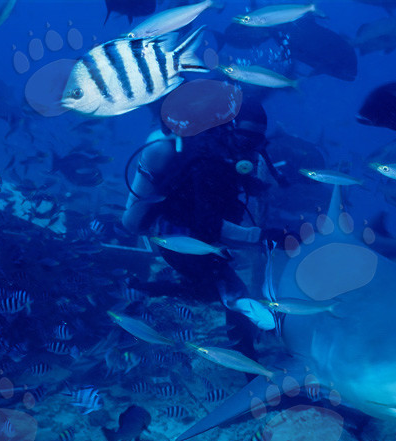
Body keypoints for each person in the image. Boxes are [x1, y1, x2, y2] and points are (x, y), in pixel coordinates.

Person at [121, 99, 286, 352]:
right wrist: (261, 236)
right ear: (228, 129)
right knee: (228, 291)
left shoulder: (230, 155)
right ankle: (252, 373)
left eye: (257, 143)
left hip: (198, 236)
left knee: (221, 288)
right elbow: (209, 226)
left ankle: (152, 288)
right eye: (246, 140)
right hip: (176, 237)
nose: (251, 150)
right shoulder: (206, 161)